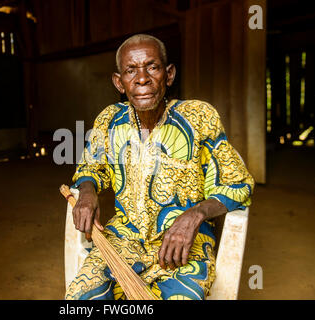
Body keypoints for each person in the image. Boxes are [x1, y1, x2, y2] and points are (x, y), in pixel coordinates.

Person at [65, 34, 254, 300]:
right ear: (119, 82)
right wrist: (86, 191)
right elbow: (91, 167)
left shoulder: (199, 117)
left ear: (169, 74)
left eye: (152, 67)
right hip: (123, 238)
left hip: (186, 242)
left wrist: (195, 214)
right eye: (131, 70)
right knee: (80, 298)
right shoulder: (109, 119)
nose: (142, 78)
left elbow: (238, 184)